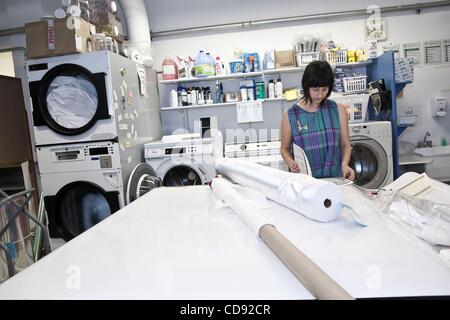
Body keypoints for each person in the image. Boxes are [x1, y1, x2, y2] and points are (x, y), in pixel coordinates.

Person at [280, 60, 355, 180]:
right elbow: (284, 149)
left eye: (324, 89)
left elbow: (346, 145)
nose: (320, 95)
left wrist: (345, 164)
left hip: (335, 178)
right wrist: (290, 162)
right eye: (315, 90)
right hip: (305, 181)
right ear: (306, 86)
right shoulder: (290, 115)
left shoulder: (338, 110)